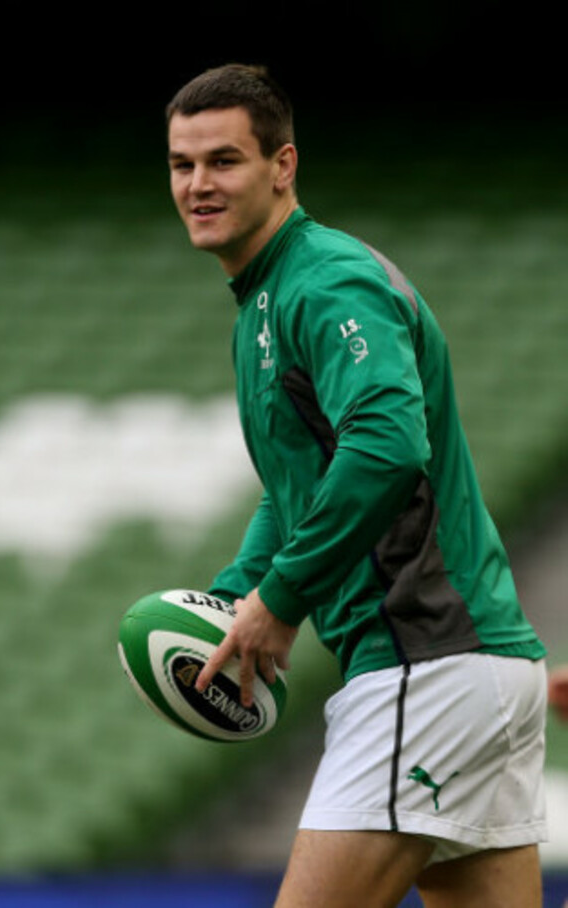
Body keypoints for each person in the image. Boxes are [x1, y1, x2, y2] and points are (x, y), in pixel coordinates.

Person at [166, 63, 548, 908]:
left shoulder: (325, 281)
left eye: (223, 161)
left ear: (283, 166)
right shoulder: (265, 298)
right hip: (468, 666)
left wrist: (284, 598)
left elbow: (384, 446)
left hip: (426, 661)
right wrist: (237, 597)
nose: (198, 184)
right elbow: (299, 479)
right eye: (182, 164)